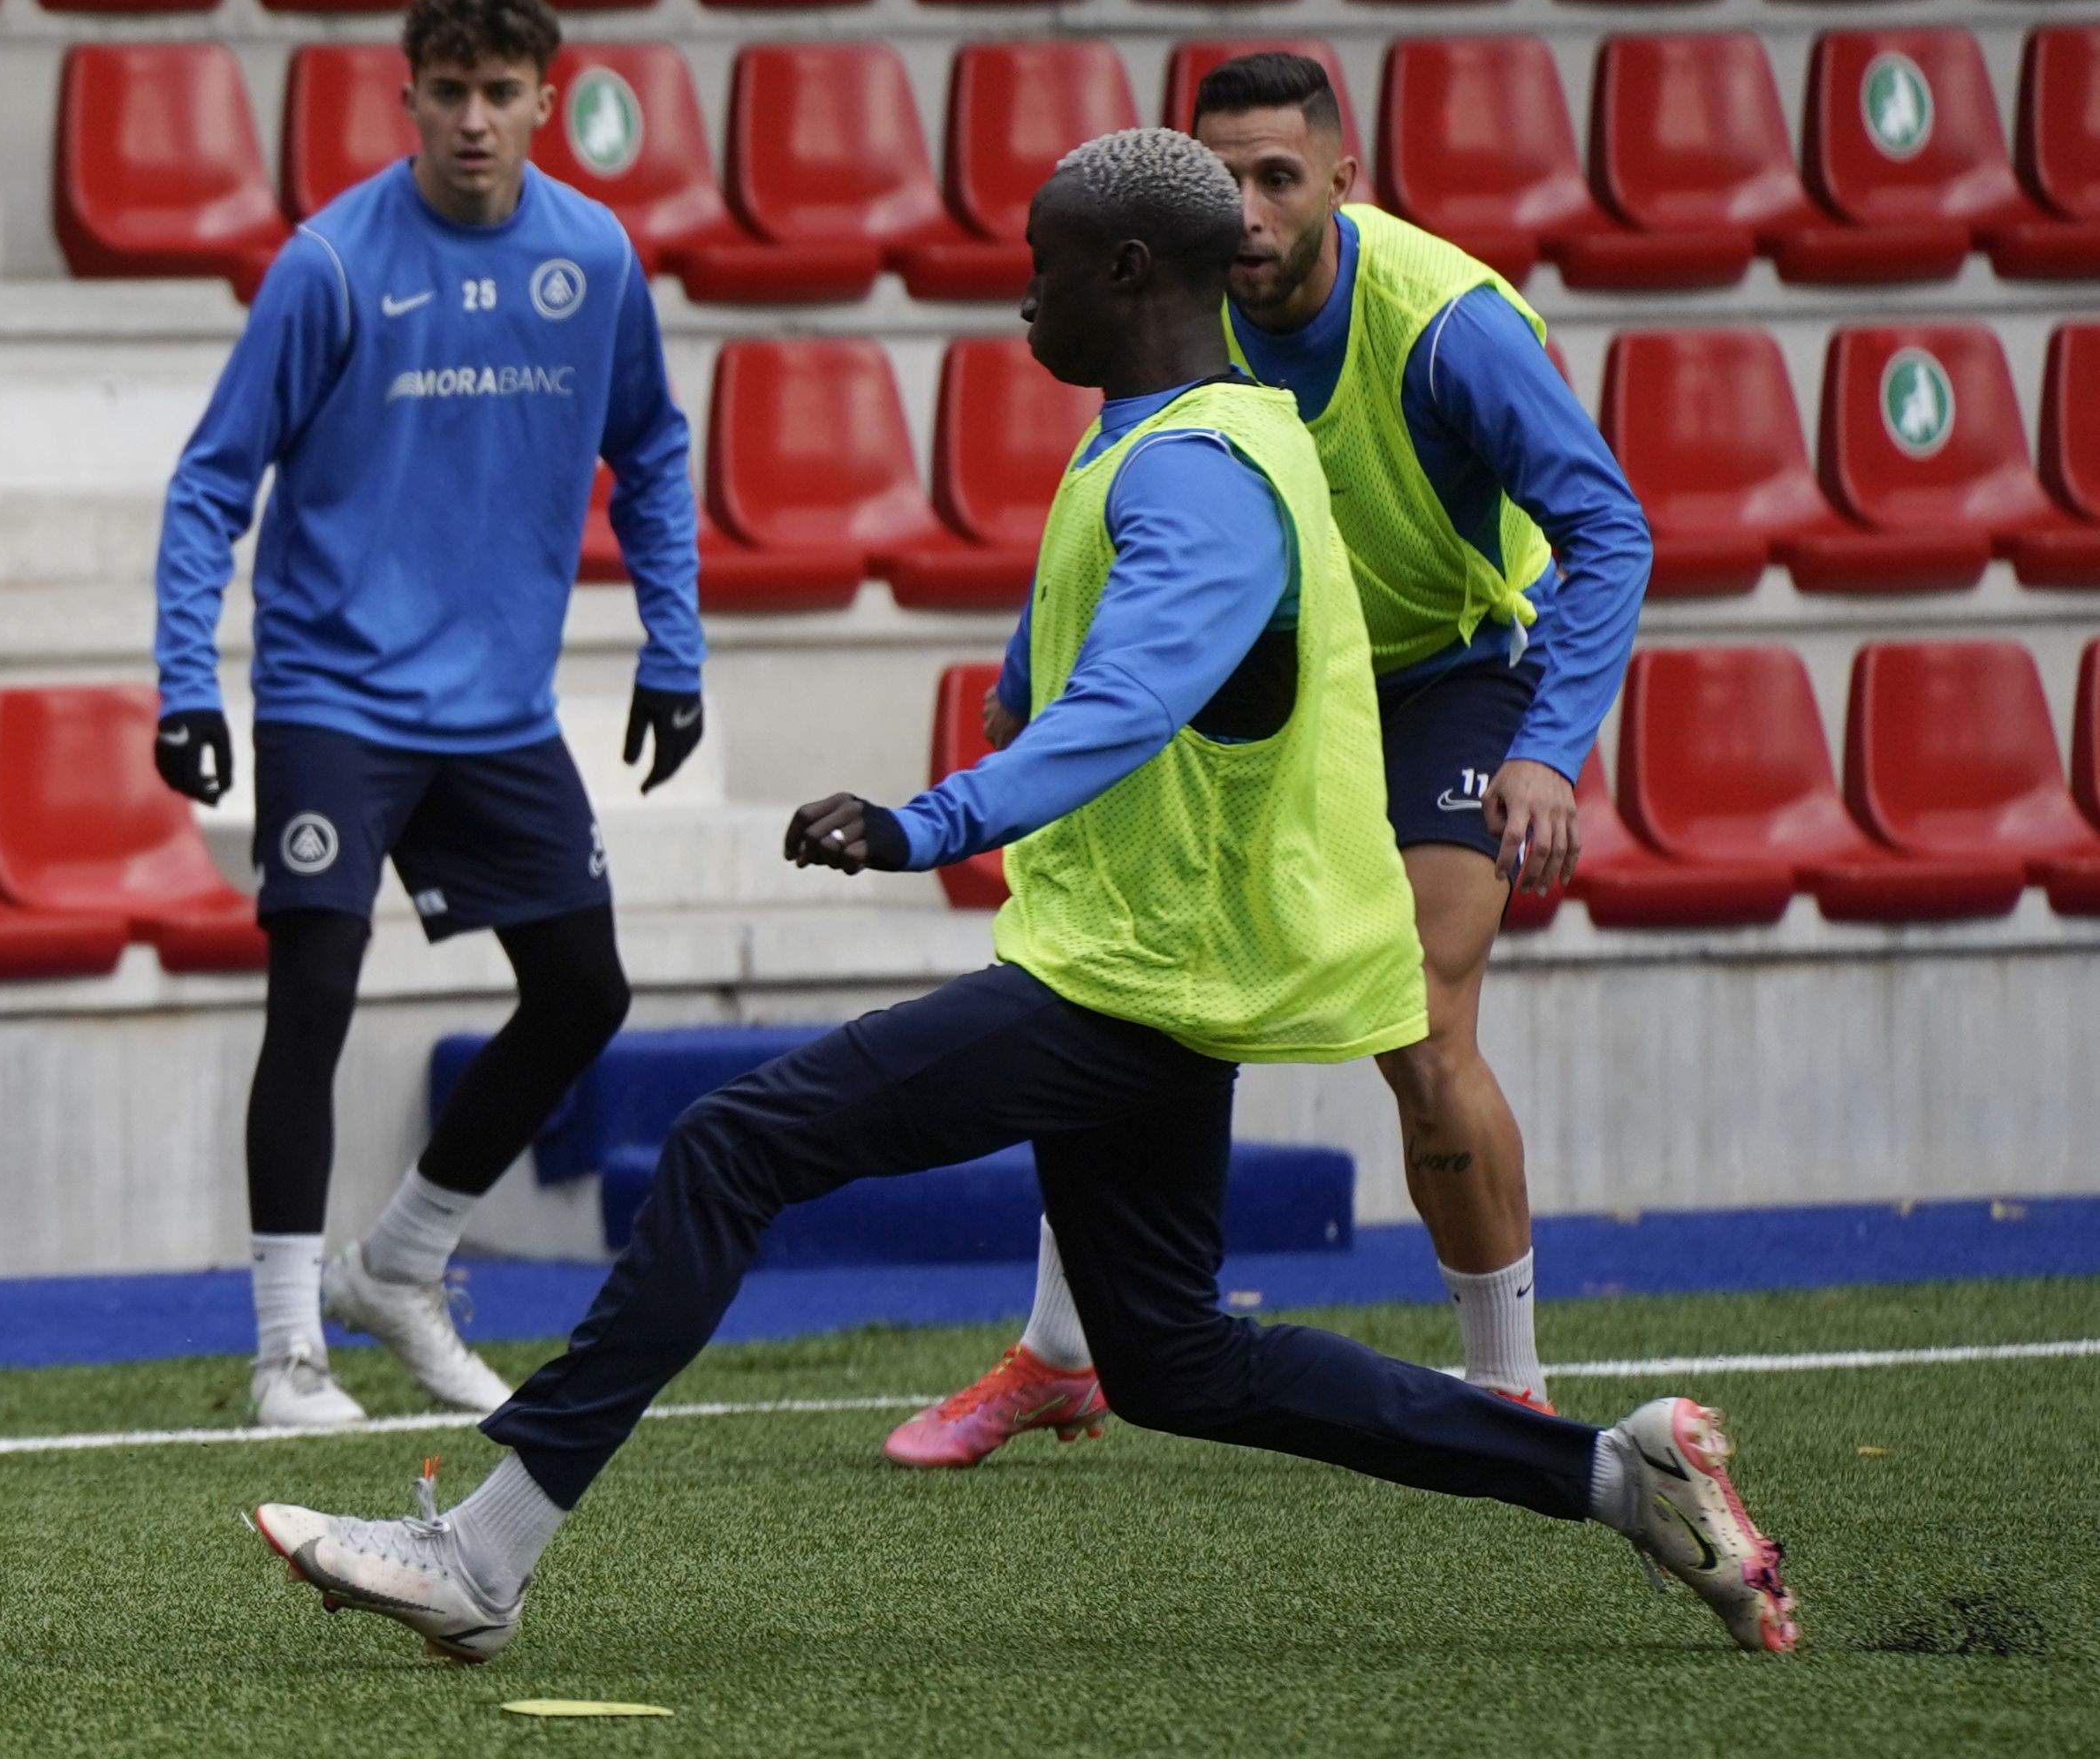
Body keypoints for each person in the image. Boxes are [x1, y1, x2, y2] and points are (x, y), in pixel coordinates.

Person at [246, 131, 1792, 1664]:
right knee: (1177, 1361)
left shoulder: (1195, 471)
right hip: (1153, 969)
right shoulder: (1193, 429)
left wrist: (930, 822)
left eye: (1041, 265)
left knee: (730, 1149)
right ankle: (1615, 1473)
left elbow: (1126, 699)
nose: (1021, 299)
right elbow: (1099, 663)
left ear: (1127, 274)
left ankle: (484, 1552)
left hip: (1133, 978)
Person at [883, 50, 1655, 1468]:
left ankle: (1516, 1399)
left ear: (1341, 183)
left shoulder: (1446, 324)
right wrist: (1019, 679)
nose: (1243, 210)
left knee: (1418, 1014)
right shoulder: (1179, 301)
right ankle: (1066, 1356)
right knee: (1125, 973)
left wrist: (1552, 748)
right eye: (1220, 176)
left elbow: (1612, 529)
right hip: (1272, 679)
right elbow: (1122, 491)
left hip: (1449, 676)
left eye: (1276, 179)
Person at [153, 0, 704, 1431]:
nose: (474, 119)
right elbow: (214, 477)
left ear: (547, 98)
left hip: (500, 712)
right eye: (448, 91)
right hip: (332, 690)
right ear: (408, 99)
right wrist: (184, 681)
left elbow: (651, 451)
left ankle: (397, 1264)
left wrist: (675, 649)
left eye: (500, 91)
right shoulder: (329, 266)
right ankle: (286, 1351)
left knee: (585, 993)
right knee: (313, 994)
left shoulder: (593, 261)